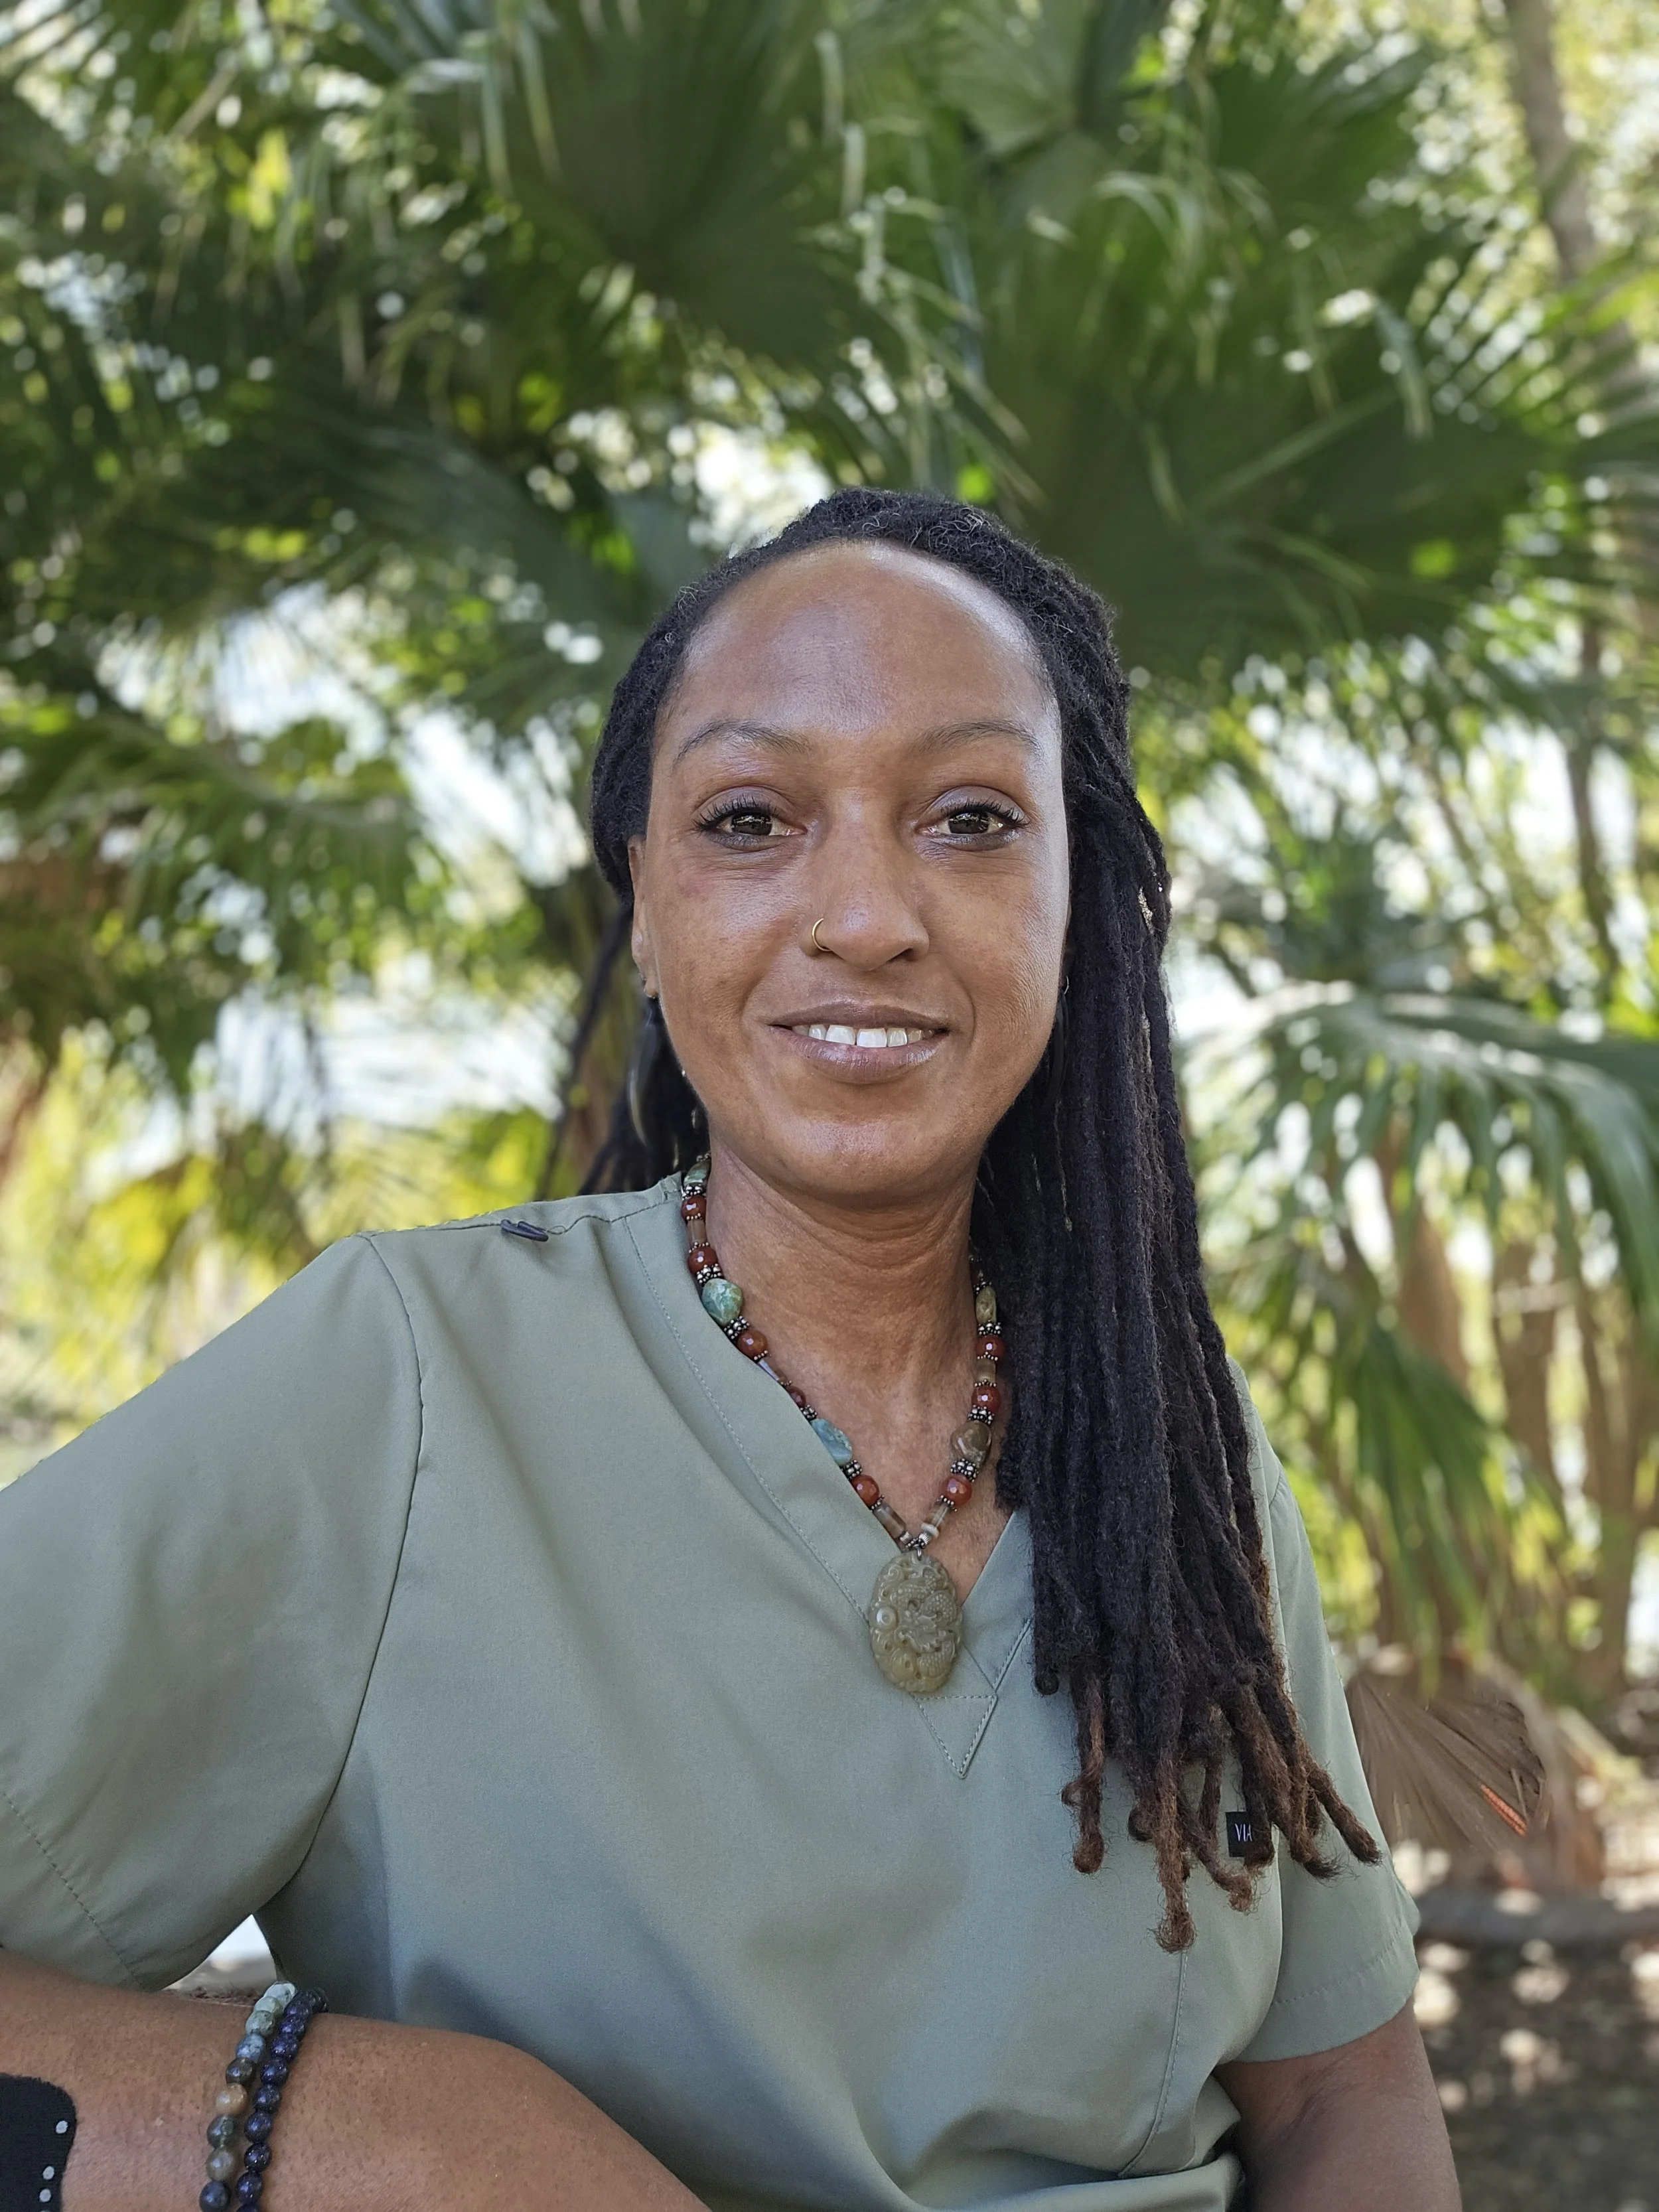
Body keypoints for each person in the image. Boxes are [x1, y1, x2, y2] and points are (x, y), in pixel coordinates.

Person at [0, 489, 1457, 2211]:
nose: (861, 914)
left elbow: (1337, 2099)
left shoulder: (1168, 1439)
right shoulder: (406, 1373)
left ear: (1080, 896)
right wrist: (392, 2128)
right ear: (643, 886)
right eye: (752, 817)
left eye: (973, 817)